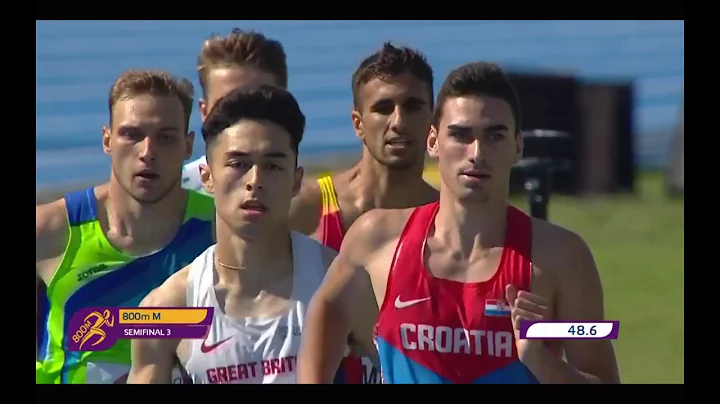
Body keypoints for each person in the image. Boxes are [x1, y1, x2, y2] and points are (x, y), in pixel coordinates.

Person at [297, 62, 621, 384]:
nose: (476, 153)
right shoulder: (377, 239)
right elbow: (326, 308)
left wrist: (540, 362)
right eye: (461, 135)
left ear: (517, 146)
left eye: (494, 136)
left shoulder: (561, 257)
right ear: (433, 142)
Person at [127, 85, 338, 384]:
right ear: (207, 177)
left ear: (296, 180)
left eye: (273, 166)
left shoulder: (339, 285)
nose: (255, 181)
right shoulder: (166, 308)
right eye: (238, 164)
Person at [35, 70, 216, 384]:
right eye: (132, 135)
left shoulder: (220, 230)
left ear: (188, 146)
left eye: (166, 137)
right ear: (107, 140)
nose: (148, 152)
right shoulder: (51, 232)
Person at [289, 42, 439, 384]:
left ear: (433, 119)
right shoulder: (308, 208)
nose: (398, 122)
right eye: (383, 108)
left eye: (413, 107)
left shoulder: (449, 219)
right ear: (358, 123)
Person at [182, 28, 288, 193]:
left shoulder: (311, 210)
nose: (242, 123)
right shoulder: (168, 198)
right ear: (204, 112)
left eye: (257, 106)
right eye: (225, 106)